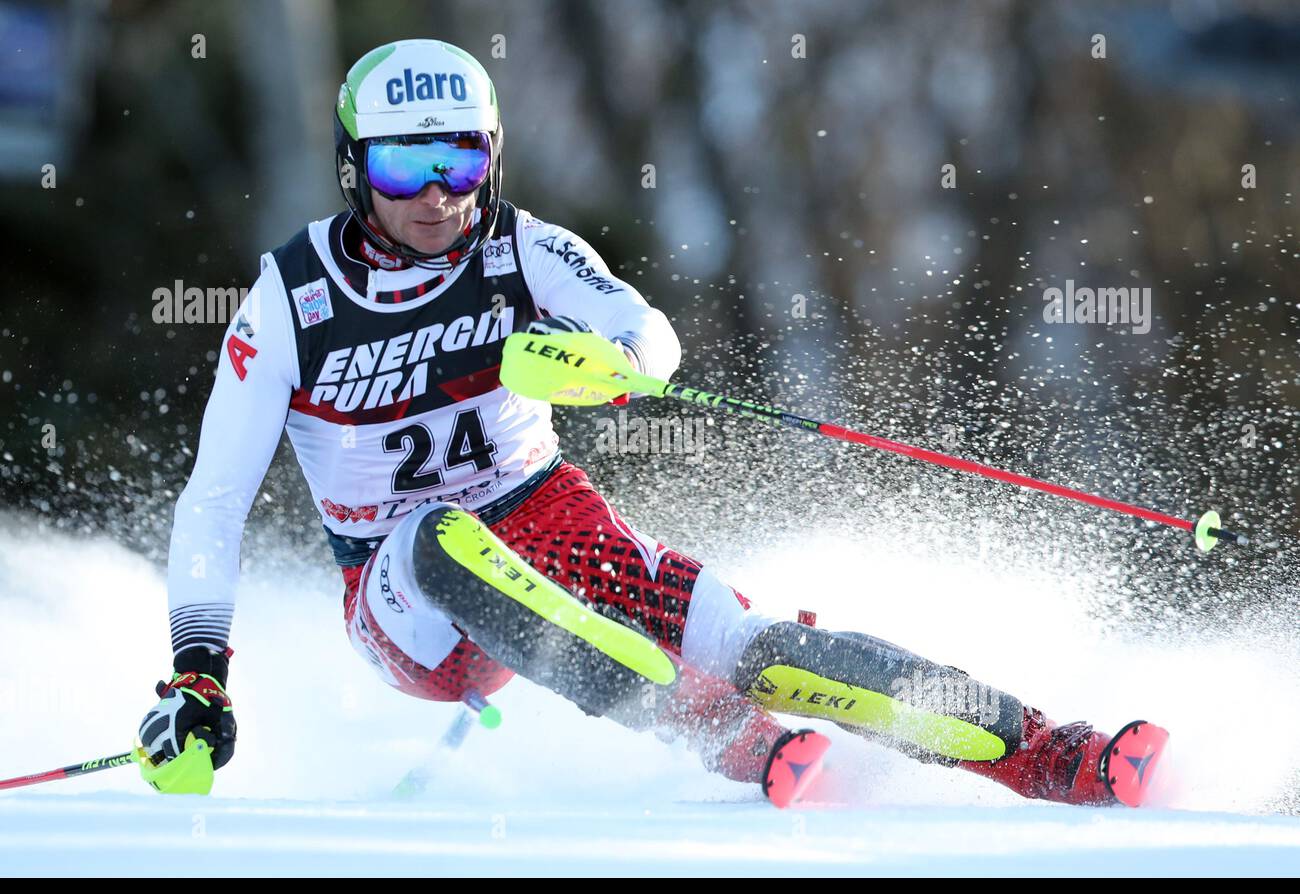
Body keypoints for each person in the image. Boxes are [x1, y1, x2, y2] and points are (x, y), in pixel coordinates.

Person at [139, 39, 1163, 807]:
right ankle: (722, 732)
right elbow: (215, 499)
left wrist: (612, 369)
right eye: (406, 170)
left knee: (760, 644)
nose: (438, 198)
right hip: (402, 596)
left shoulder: (521, 248)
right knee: (436, 536)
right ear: (355, 167)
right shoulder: (289, 296)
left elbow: (647, 331)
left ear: (490, 158)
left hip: (548, 518)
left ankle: (1050, 753)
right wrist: (198, 675)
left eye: (459, 162)